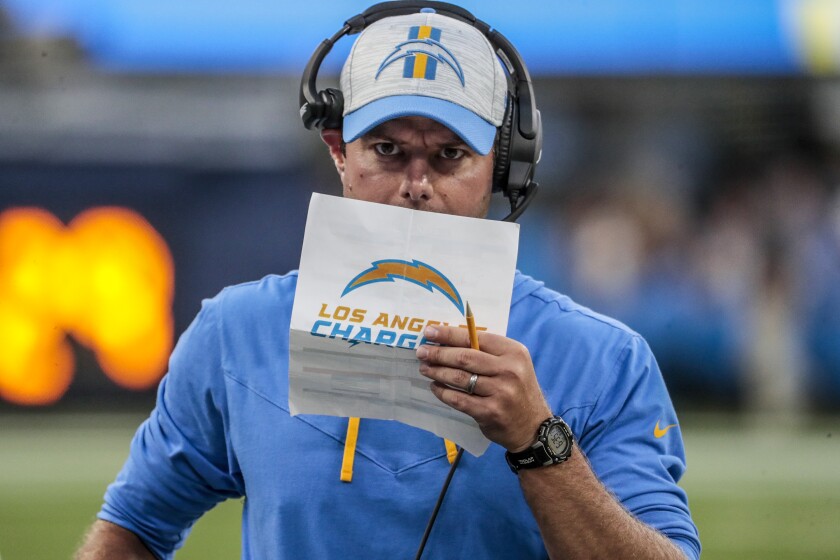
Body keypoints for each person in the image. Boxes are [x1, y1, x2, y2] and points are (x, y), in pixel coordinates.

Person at [76, 3, 700, 559]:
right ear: (339, 152)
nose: (417, 184)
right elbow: (132, 526)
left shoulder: (603, 361)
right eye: (387, 150)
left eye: (450, 154)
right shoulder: (235, 335)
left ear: (504, 167)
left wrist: (541, 442)